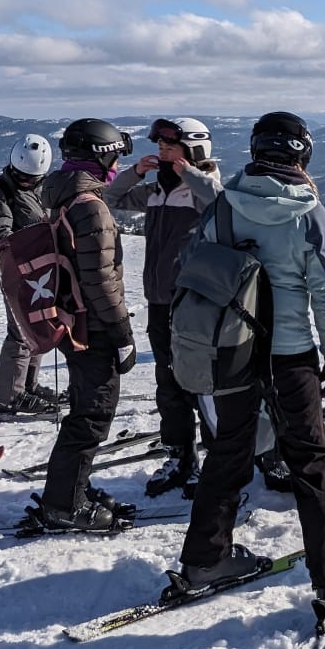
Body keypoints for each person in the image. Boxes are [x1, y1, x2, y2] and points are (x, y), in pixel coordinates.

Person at [172, 112, 325, 624]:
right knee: (310, 461)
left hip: (233, 348)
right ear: (302, 154)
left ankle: (204, 559)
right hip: (290, 354)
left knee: (229, 450)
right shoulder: (309, 212)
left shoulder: (225, 204)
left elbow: (195, 266)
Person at [19, 117, 139, 535]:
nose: (118, 164)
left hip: (73, 319)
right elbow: (101, 279)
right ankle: (63, 505)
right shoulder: (91, 206)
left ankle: (72, 490)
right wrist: (123, 335)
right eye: (116, 155)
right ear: (102, 156)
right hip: (93, 327)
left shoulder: (63, 195)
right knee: (91, 416)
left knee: (85, 410)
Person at [102, 116, 223, 495]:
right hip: (159, 301)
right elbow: (113, 198)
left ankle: (220, 460)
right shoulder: (157, 191)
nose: (162, 154)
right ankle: (180, 455)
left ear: (193, 151)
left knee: (203, 384)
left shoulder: (204, 190)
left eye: (171, 148)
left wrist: (189, 173)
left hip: (195, 303)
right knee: (167, 382)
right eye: (160, 148)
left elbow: (221, 203)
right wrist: (136, 172)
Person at [0, 133, 57, 421]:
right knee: (22, 332)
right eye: (22, 177)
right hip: (15, 271)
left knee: (38, 328)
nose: (26, 182)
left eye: (32, 179)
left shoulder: (39, 189)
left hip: (41, 271)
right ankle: (8, 396)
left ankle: (27, 386)